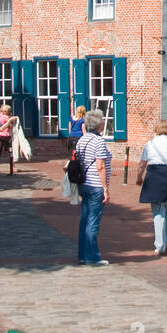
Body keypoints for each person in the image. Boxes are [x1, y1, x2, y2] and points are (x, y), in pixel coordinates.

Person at [137, 121, 167, 256]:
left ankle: (160, 245)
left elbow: (142, 163)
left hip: (155, 179)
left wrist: (139, 177)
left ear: (157, 130)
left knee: (158, 212)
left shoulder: (150, 144)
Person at [75, 108, 112, 266]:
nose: (104, 122)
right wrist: (105, 188)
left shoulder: (82, 139)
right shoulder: (98, 141)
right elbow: (100, 166)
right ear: (98, 124)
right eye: (102, 120)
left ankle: (82, 254)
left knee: (85, 219)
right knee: (93, 221)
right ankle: (92, 257)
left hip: (83, 184)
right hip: (95, 184)